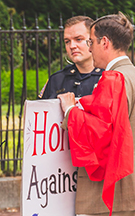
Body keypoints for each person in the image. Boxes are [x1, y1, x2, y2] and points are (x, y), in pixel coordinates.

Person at [58, 12, 135, 216]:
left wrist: (70, 110)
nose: (89, 48)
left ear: (105, 42)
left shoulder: (113, 78)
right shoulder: (132, 74)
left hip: (114, 192)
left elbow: (101, 132)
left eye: (91, 42)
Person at [39, 16, 103, 99]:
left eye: (78, 39)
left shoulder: (109, 77)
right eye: (67, 41)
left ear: (93, 40)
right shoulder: (57, 80)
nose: (72, 46)